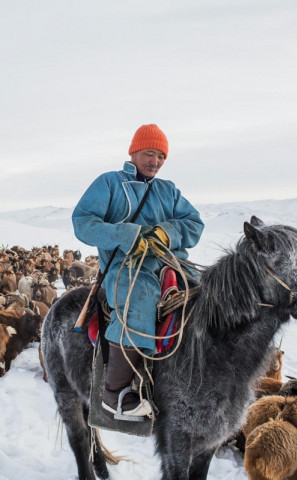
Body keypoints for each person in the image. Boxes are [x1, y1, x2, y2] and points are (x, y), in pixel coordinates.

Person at [72, 124, 204, 419]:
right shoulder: (109, 184)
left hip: (171, 262)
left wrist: (166, 233)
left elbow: (194, 224)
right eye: (149, 153)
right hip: (127, 264)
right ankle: (114, 393)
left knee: (208, 296)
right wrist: (128, 235)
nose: (154, 162)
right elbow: (83, 222)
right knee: (140, 298)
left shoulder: (168, 190)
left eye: (160, 156)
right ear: (134, 152)